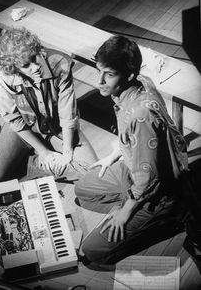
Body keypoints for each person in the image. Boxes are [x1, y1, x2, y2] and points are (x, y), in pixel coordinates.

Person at [74, 35, 188, 264]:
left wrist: (126, 211)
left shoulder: (140, 114)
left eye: (109, 74)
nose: (100, 81)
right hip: (137, 168)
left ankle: (169, 217)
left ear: (129, 75)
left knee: (92, 250)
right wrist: (113, 155)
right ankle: (133, 201)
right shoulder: (139, 82)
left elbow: (149, 177)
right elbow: (135, 142)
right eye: (99, 71)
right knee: (82, 188)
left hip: (160, 191)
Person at [0, 27, 97, 192]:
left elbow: (67, 114)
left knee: (90, 172)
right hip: (23, 129)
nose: (35, 67)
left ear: (38, 50)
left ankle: (25, 160)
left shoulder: (60, 64)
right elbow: (15, 121)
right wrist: (44, 152)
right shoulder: (6, 77)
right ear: (15, 68)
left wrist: (67, 152)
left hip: (55, 126)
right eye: (26, 65)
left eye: (35, 58)